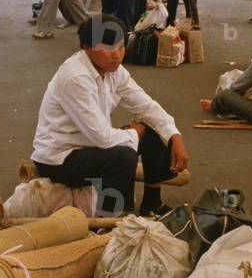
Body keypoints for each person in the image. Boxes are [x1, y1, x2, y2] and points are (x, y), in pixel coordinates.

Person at [31, 14, 190, 216]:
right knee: (123, 157)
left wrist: (175, 136)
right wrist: (134, 134)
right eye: (108, 48)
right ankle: (109, 225)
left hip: (90, 145)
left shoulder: (115, 71)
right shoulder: (75, 77)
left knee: (153, 127)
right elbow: (102, 137)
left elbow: (146, 106)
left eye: (121, 46)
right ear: (87, 47)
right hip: (59, 158)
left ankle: (152, 203)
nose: (117, 55)